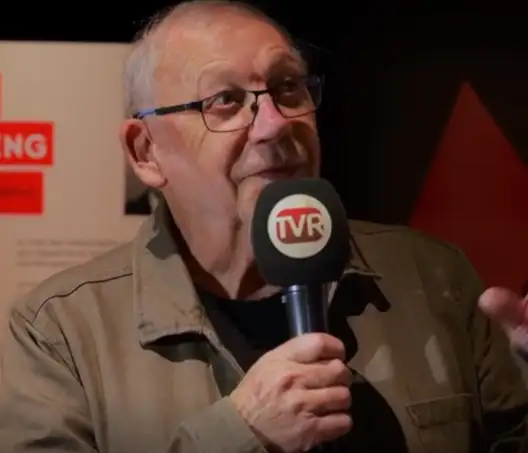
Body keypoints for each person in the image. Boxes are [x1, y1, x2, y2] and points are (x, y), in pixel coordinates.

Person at [0, 1, 527, 452]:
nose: (275, 123)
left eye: (288, 87)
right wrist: (241, 433)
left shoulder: (436, 277)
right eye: (225, 101)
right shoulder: (58, 333)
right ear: (146, 151)